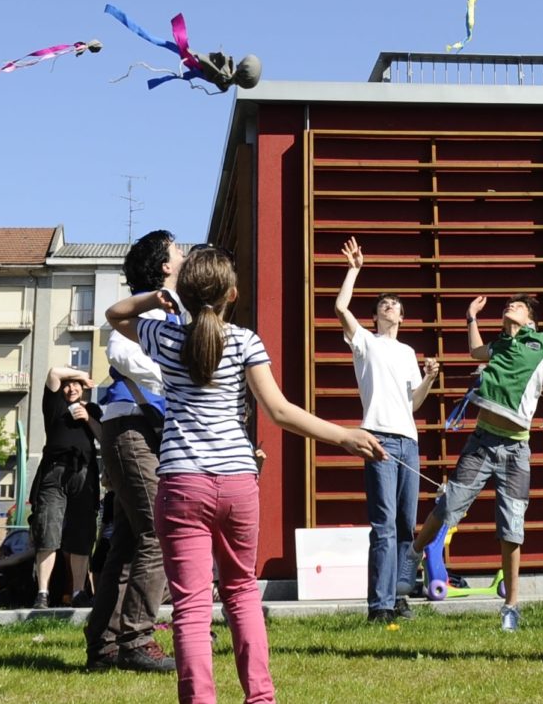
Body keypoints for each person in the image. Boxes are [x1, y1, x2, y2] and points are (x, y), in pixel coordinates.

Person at [107, 244, 382, 704]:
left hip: (181, 483)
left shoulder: (164, 336)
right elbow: (279, 411)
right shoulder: (245, 341)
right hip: (238, 481)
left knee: (191, 608)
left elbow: (116, 316)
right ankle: (261, 698)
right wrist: (344, 437)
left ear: (185, 293)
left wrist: (154, 298)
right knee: (241, 594)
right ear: (232, 294)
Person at [411, 294, 543, 634]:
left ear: (531, 320)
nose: (509, 307)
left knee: (512, 527)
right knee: (448, 507)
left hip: (516, 451)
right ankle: (412, 556)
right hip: (481, 442)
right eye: (507, 304)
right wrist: (470, 317)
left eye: (517, 305)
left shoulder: (541, 343)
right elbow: (476, 352)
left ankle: (511, 607)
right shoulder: (500, 344)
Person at [84, 229, 179, 675]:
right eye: (178, 249)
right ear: (163, 265)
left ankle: (104, 643)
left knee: (126, 541)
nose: (183, 254)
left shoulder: (173, 309)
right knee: (155, 534)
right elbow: (120, 351)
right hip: (132, 429)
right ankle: (137, 639)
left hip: (145, 430)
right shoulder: (147, 304)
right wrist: (174, 374)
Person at [333, 237, 439, 624]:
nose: (388, 307)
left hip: (408, 441)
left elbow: (414, 403)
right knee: (382, 525)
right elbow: (340, 307)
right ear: (376, 317)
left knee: (404, 527)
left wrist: (428, 378)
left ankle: (398, 597)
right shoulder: (365, 342)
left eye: (393, 305)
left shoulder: (408, 353)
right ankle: (378, 606)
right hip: (377, 438)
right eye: (382, 305)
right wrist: (354, 269)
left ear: (401, 317)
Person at [29, 368, 101, 608]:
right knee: (47, 531)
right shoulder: (54, 405)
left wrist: (87, 419)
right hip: (53, 473)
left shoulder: (93, 410)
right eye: (67, 385)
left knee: (82, 534)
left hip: (84, 473)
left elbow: (104, 437)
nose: (71, 388)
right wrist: (81, 373)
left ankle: (79, 591)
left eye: (76, 385)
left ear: (83, 389)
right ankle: (43, 593)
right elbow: (52, 373)